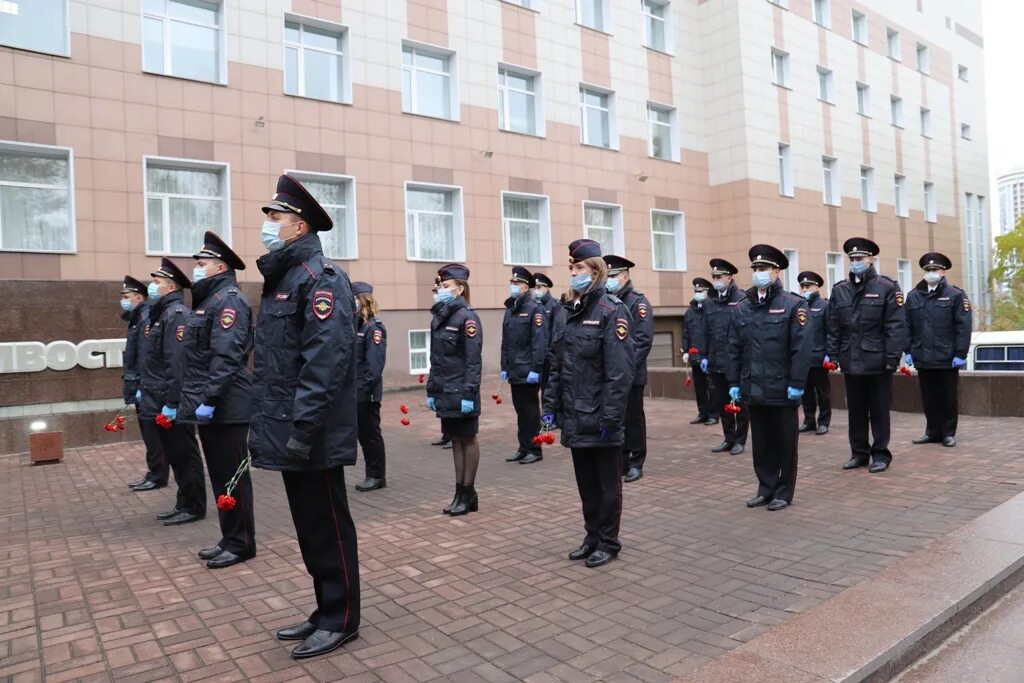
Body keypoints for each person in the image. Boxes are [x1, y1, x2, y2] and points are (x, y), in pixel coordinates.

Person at [248, 174, 360, 659]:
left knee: (329, 523)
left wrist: (304, 428)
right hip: (290, 428)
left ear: (298, 227)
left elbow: (325, 362)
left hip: (310, 430)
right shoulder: (285, 280)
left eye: (274, 218)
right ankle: (323, 609)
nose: (267, 226)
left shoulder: (321, 280)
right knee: (309, 525)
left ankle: (342, 618)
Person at [542, 239, 634, 569]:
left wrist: (611, 417)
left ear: (595, 271)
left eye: (579, 267)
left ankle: (609, 541)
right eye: (571, 267)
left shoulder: (611, 311)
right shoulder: (567, 313)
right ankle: (592, 535)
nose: (573, 273)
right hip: (575, 414)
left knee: (608, 485)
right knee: (587, 484)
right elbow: (556, 366)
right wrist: (549, 408)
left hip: (601, 416)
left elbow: (619, 372)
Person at [175, 232, 256, 569]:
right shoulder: (210, 300)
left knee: (234, 478)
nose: (196, 267)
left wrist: (209, 398)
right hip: (211, 404)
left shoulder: (229, 300)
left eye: (202, 263)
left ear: (220, 266)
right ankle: (229, 537)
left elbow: (226, 356)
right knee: (222, 477)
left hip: (228, 404)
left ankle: (242, 543)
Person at [727, 246, 812, 511]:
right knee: (761, 443)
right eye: (755, 269)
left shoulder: (793, 304)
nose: (758, 273)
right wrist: (733, 383)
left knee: (785, 443)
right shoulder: (742, 308)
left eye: (763, 269)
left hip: (782, 388)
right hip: (754, 387)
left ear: (777, 271)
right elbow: (733, 348)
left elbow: (802, 348)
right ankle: (766, 488)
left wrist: (797, 383)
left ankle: (783, 492)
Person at [827, 237, 908, 473]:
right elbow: (834, 327)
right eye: (851, 259)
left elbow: (895, 325)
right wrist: (832, 355)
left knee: (879, 410)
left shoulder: (886, 287)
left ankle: (881, 454)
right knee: (856, 411)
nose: (855, 262)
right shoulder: (840, 290)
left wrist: (892, 358)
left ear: (871, 259)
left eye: (859, 258)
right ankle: (859, 453)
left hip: (878, 361)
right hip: (850, 360)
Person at [140, 259, 207, 526]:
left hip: (173, 401)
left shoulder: (176, 314)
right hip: (160, 398)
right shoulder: (163, 314)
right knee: (177, 456)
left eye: (156, 282)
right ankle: (184, 502)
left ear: (170, 286)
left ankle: (194, 505)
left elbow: (178, 363)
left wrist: (172, 402)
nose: (152, 287)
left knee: (184, 454)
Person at [427, 264, 483, 515]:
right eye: (441, 286)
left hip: (461, 391)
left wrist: (469, 394)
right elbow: (435, 358)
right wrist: (431, 390)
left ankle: (468, 492)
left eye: (446, 286)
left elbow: (473, 360)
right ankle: (459, 492)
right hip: (445, 391)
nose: (441, 290)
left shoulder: (467, 318)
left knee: (467, 439)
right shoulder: (440, 317)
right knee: (456, 441)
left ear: (460, 289)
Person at [905, 252, 972, 448]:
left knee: (948, 397)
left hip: (947, 356)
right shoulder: (913, 297)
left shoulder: (956, 295)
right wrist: (907, 350)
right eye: (928, 270)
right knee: (929, 397)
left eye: (935, 269)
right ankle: (932, 432)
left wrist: (960, 353)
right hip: (923, 356)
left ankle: (949, 433)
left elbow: (963, 326)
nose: (931, 273)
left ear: (943, 272)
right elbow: (906, 325)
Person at [604, 255, 653, 483]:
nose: (609, 280)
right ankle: (621, 461)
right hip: (613, 375)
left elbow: (642, 341)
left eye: (613, 276)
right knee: (617, 418)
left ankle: (636, 461)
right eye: (607, 276)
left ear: (625, 276)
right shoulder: (607, 302)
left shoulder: (638, 302)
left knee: (633, 419)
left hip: (631, 375)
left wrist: (626, 369)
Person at [121, 275, 169, 492]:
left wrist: (141, 385)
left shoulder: (145, 318)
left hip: (147, 386)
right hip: (141, 385)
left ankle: (158, 475)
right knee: (148, 435)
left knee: (153, 435)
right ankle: (154, 472)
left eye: (127, 296)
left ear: (139, 298)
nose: (123, 300)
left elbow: (145, 357)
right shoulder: (136, 318)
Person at [502, 266, 547, 464]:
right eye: (511, 282)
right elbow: (506, 342)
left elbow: (539, 342)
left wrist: (536, 369)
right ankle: (523, 446)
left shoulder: (534, 310)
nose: (513, 286)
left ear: (526, 287)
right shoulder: (511, 309)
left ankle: (535, 449)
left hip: (528, 370)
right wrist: (504, 366)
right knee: (520, 411)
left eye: (517, 283)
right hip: (514, 369)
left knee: (530, 412)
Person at [703, 258, 749, 455]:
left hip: (737, 362)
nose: (716, 280)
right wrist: (705, 355)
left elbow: (746, 334)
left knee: (740, 403)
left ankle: (740, 440)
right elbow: (706, 331)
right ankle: (728, 437)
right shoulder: (709, 302)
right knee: (722, 402)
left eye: (719, 276)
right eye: (713, 277)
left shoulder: (742, 299)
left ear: (729, 278)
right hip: (716, 361)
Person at [353, 281, 388, 490]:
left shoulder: (373, 328)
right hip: (357, 391)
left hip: (366, 393)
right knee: (363, 435)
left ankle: (377, 476)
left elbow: (375, 366)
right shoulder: (357, 326)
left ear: (362, 300)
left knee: (370, 434)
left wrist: (363, 389)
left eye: (354, 299)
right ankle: (372, 474)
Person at [797, 271, 831, 435]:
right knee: (806, 393)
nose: (804, 289)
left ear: (816, 287)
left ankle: (823, 421)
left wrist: (829, 353)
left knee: (822, 392)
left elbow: (831, 331)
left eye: (807, 286)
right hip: (804, 358)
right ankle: (809, 420)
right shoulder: (800, 306)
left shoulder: (824, 306)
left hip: (819, 357)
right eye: (802, 286)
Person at [682, 278, 717, 426]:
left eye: (700, 291)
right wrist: (685, 350)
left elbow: (714, 334)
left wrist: (710, 355)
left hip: (708, 356)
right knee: (699, 387)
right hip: (695, 355)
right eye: (696, 291)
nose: (697, 294)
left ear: (707, 292)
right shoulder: (690, 311)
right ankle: (703, 413)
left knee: (712, 387)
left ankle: (714, 414)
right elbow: (686, 332)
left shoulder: (712, 309)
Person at [429, 279, 453, 450]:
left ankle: (452, 435)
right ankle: (447, 434)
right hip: (440, 368)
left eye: (441, 290)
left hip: (452, 372)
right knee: (442, 401)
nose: (436, 296)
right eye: (436, 292)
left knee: (451, 402)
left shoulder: (458, 314)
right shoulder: (438, 315)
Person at [532, 271, 557, 401]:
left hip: (549, 357)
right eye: (535, 288)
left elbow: (555, 331)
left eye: (539, 287)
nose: (536, 290)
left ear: (547, 288)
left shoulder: (554, 305)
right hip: (537, 356)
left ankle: (548, 419)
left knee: (548, 391)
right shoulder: (534, 306)